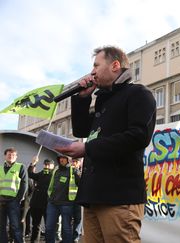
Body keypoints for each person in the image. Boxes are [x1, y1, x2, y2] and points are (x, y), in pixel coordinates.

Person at [55, 45, 156, 243]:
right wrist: (83, 99)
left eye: (96, 65)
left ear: (115, 65)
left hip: (119, 196)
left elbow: (138, 136)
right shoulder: (104, 101)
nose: (91, 72)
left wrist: (87, 148)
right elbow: (83, 131)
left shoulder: (138, 94)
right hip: (94, 196)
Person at [45, 155, 80, 243]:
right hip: (52, 203)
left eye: (64, 158)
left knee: (66, 228)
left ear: (68, 160)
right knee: (49, 227)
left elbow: (80, 184)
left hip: (67, 204)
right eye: (60, 158)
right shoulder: (56, 170)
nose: (62, 160)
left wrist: (78, 172)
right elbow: (51, 184)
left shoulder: (73, 170)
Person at [0, 147, 28, 243]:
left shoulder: (20, 167)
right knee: (1, 226)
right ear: (5, 156)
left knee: (15, 225)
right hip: (1, 200)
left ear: (16, 157)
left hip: (13, 201)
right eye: (9, 154)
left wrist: (18, 199)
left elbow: (24, 184)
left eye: (13, 155)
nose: (10, 156)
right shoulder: (0, 168)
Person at [28, 157, 54, 243]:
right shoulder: (41, 174)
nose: (46, 166)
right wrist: (33, 163)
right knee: (35, 225)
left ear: (52, 166)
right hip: (36, 204)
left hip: (48, 205)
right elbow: (30, 174)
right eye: (45, 164)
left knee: (49, 226)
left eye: (48, 164)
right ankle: (34, 241)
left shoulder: (54, 175)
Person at [71, 158, 82, 243]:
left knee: (78, 220)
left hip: (78, 200)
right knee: (67, 219)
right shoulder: (67, 171)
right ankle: (67, 237)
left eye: (76, 162)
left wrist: (76, 172)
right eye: (73, 161)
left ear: (79, 163)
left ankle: (75, 237)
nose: (74, 163)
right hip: (67, 200)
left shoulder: (82, 172)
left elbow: (80, 183)